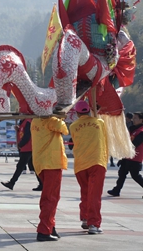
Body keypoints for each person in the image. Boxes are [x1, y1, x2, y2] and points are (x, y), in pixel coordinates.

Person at [70, 100, 108, 234]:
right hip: (97, 162)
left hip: (80, 164)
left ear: (77, 112)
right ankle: (94, 224)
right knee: (95, 195)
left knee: (85, 192)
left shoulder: (73, 126)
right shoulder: (99, 123)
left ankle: (85, 219)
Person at [31, 114, 68, 241]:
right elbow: (64, 128)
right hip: (52, 162)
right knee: (51, 197)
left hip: (41, 162)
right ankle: (44, 230)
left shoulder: (35, 120)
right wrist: (61, 117)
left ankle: (50, 226)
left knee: (48, 196)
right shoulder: (52, 120)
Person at [107, 111, 143, 197]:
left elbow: (135, 143)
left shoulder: (141, 131)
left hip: (135, 157)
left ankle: (117, 190)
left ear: (141, 120)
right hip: (127, 156)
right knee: (122, 173)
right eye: (133, 118)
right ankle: (116, 190)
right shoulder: (132, 129)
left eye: (136, 118)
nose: (133, 120)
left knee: (135, 175)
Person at [1, 118, 42, 191]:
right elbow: (22, 133)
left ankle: (12, 183)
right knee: (34, 166)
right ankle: (42, 184)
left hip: (28, 147)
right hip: (26, 147)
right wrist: (18, 129)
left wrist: (21, 144)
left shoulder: (28, 122)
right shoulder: (23, 122)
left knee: (20, 166)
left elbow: (27, 135)